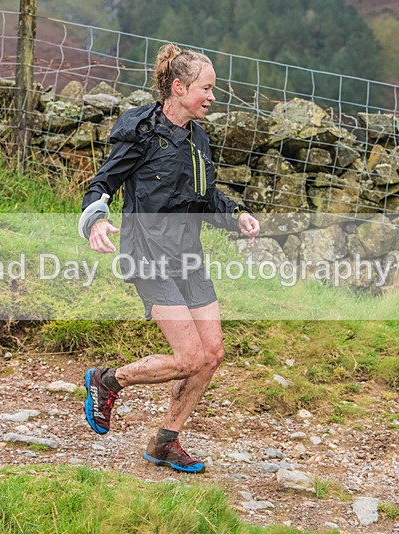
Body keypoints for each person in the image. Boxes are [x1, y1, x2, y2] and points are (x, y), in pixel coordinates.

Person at [80, 43, 260, 473]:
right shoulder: (142, 132)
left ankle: (165, 441)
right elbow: (102, 184)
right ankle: (108, 380)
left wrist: (237, 215)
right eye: (206, 88)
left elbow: (206, 197)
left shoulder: (198, 138)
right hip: (147, 255)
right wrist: (96, 220)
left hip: (188, 256)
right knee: (189, 358)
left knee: (211, 354)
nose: (212, 97)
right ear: (178, 87)